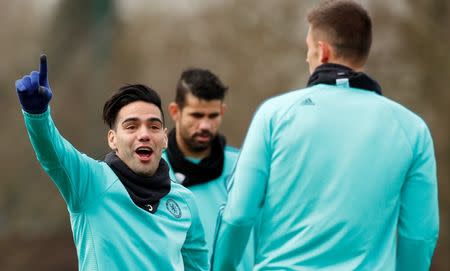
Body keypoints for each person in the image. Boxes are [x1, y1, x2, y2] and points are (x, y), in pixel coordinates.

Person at [212, 0, 439, 270]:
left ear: (323, 51)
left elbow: (238, 216)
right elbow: (420, 235)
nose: (306, 57)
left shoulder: (274, 115)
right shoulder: (412, 129)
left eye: (307, 49)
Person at [15, 55, 209, 271]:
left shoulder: (184, 202)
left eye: (153, 127)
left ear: (164, 138)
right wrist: (37, 115)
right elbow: (53, 154)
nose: (144, 134)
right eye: (131, 126)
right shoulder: (91, 182)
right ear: (112, 139)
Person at [162, 68, 254, 270]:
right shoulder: (154, 170)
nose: (205, 125)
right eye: (196, 115)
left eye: (213, 116)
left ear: (222, 111)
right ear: (175, 111)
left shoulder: (245, 166)